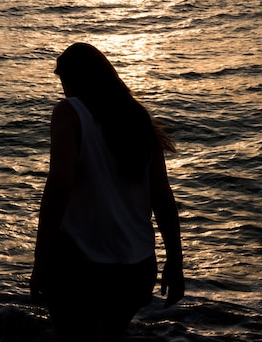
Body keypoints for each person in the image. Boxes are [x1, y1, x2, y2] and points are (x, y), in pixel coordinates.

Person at [30, 42, 184, 341]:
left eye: (64, 81)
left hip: (81, 264)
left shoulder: (69, 112)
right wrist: (174, 262)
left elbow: (59, 187)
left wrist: (40, 261)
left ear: (73, 79)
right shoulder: (137, 119)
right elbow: (163, 199)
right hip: (136, 268)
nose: (63, 91)